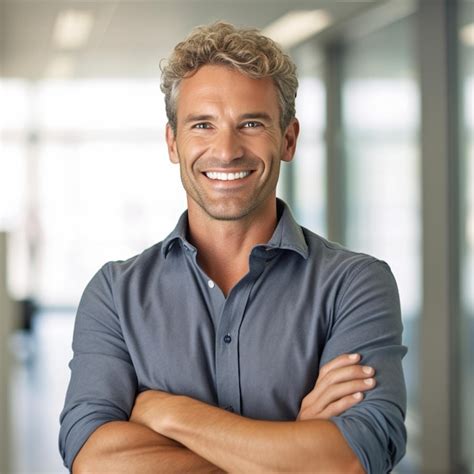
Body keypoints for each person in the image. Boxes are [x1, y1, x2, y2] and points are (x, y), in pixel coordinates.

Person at [59, 21, 407, 473]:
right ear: (173, 142)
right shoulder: (115, 294)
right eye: (202, 124)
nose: (226, 150)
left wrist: (170, 413)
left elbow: (354, 459)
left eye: (251, 123)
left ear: (288, 138)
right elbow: (94, 459)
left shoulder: (354, 284)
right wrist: (290, 448)